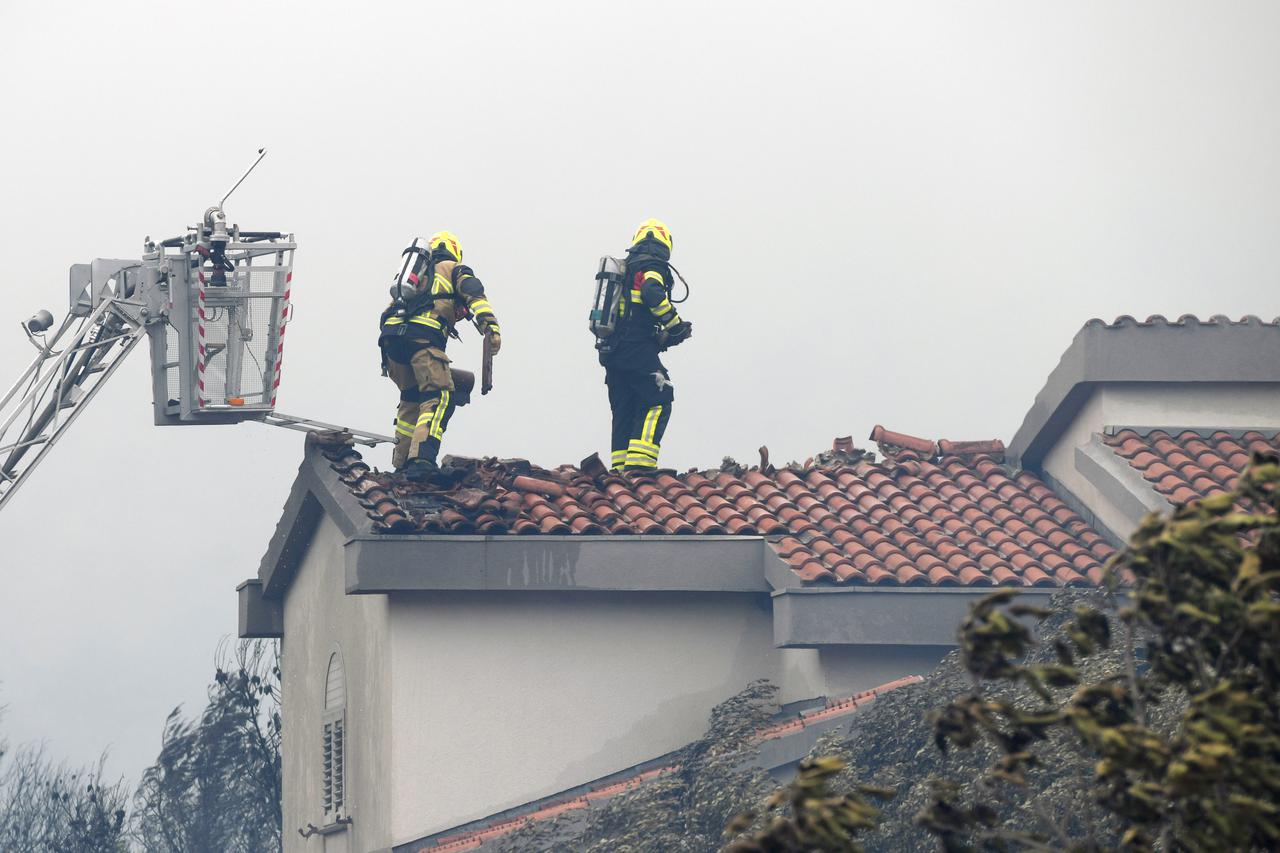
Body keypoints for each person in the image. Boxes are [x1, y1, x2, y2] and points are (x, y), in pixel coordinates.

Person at [379, 231, 501, 480]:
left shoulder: (417, 276)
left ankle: (401, 464)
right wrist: (491, 328)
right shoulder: (454, 269)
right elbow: (474, 293)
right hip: (423, 341)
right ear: (456, 252)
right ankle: (422, 460)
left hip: (391, 343)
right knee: (438, 396)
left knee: (411, 398)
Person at [598, 219, 692, 472]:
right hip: (634, 347)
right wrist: (675, 325)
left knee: (625, 406)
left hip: (612, 350)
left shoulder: (626, 269)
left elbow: (633, 310)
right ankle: (641, 465)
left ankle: (619, 469)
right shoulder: (652, 265)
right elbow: (652, 293)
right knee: (659, 397)